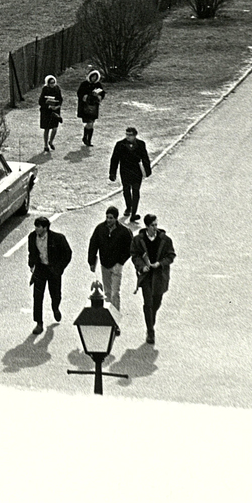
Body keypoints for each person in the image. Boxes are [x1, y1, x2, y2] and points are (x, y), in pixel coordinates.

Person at [131, 213, 176, 345]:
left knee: (157, 303)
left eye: (156, 225)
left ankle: (151, 321)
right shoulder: (138, 240)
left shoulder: (165, 240)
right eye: (152, 225)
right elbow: (134, 255)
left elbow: (171, 255)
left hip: (160, 276)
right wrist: (141, 267)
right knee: (148, 303)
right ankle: (150, 331)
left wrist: (160, 263)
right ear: (146, 226)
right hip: (146, 276)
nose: (155, 228)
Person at [26, 215, 72, 335]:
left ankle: (55, 307)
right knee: (37, 296)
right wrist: (31, 264)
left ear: (45, 228)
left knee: (55, 294)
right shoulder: (32, 237)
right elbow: (31, 252)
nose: (36, 229)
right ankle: (39, 323)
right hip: (40, 269)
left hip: (53, 270)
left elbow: (67, 253)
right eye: (35, 226)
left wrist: (59, 268)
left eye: (39, 227)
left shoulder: (57, 238)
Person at [87, 205, 133, 311]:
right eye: (107, 217)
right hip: (104, 265)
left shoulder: (124, 231)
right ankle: (108, 318)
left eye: (111, 218)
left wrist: (121, 262)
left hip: (116, 265)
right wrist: (91, 262)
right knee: (107, 292)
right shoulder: (100, 228)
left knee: (115, 293)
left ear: (116, 218)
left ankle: (115, 319)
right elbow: (93, 244)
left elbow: (130, 248)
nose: (108, 220)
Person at [108, 126, 153, 222]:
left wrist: (147, 170)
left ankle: (134, 213)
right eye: (127, 134)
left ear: (135, 135)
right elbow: (114, 159)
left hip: (136, 171)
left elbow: (145, 157)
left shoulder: (141, 144)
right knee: (126, 190)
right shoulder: (120, 144)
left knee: (136, 191)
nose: (128, 137)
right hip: (125, 171)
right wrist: (112, 173)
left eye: (130, 135)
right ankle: (129, 207)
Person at [76, 69, 106, 148]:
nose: (94, 78)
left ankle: (88, 139)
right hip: (85, 107)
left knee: (91, 124)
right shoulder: (84, 84)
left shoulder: (98, 85)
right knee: (89, 123)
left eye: (95, 77)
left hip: (94, 106)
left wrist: (100, 96)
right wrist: (84, 96)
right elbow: (79, 93)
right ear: (90, 76)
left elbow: (102, 92)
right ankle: (86, 138)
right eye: (93, 77)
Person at [39, 75, 64, 152]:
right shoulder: (45, 89)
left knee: (55, 128)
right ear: (48, 83)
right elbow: (40, 102)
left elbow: (60, 99)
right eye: (51, 83)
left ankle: (51, 141)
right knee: (46, 128)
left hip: (55, 111)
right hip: (46, 111)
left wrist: (58, 106)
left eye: (53, 83)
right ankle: (45, 145)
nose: (52, 84)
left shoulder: (57, 89)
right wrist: (48, 106)